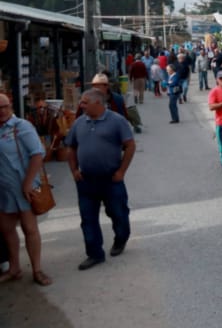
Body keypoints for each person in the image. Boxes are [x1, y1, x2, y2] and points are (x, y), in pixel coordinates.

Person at [65, 89, 136, 271]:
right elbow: (71, 147)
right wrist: (74, 170)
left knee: (118, 213)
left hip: (111, 178)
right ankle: (94, 253)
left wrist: (122, 171)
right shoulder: (79, 123)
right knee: (88, 219)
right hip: (86, 180)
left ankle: (120, 239)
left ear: (98, 103)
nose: (81, 105)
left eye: (84, 102)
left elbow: (130, 145)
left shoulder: (117, 121)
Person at [0, 94, 51, 286]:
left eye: (5, 106)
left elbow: (38, 154)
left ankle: (37, 270)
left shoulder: (21, 127)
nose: (2, 111)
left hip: (24, 188)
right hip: (4, 189)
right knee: (6, 229)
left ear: (11, 106)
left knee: (29, 229)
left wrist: (28, 183)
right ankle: (14, 268)